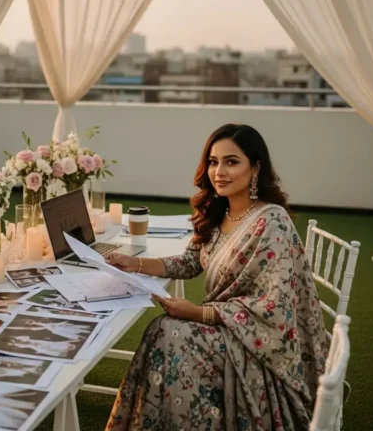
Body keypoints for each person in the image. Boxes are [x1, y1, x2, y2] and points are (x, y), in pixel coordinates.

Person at [104, 124, 329, 431]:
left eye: (231, 162)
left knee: (170, 333)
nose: (219, 172)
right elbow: (190, 261)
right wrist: (136, 263)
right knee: (163, 331)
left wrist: (199, 313)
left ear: (255, 168)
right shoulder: (220, 212)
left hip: (256, 349)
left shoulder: (272, 222)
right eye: (213, 162)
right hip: (225, 329)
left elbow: (273, 309)